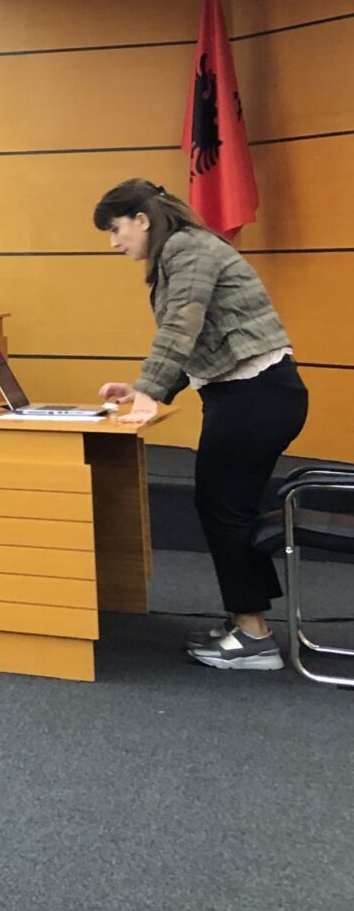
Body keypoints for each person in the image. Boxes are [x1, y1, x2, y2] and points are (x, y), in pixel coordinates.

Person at [94, 177, 306, 671]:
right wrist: (143, 388)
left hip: (256, 395)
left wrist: (150, 389)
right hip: (253, 396)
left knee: (224, 508)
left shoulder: (186, 247)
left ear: (142, 219)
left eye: (116, 229)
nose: (114, 242)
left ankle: (253, 637)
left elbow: (181, 326)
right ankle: (245, 622)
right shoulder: (184, 248)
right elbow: (196, 339)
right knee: (226, 507)